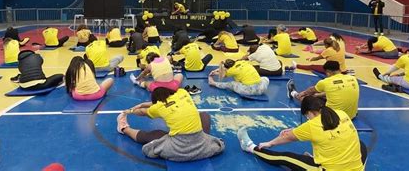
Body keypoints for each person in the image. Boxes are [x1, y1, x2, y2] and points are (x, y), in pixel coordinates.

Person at [237, 96, 367, 171]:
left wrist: (269, 143)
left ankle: (249, 147)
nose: (307, 119)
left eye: (306, 116)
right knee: (359, 144)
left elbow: (287, 137)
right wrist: (298, 130)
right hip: (357, 168)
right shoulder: (341, 113)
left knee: (285, 157)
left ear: (309, 112)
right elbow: (327, 130)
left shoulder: (311, 125)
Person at [116, 87, 224, 161]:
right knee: (204, 116)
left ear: (156, 101)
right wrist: (146, 104)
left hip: (179, 150)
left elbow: (142, 112)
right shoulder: (183, 92)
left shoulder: (158, 107)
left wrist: (130, 111)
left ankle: (124, 128)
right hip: (202, 146)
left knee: (156, 135)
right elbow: (169, 100)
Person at [287, 61, 359, 119]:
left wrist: (301, 94)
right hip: (351, 116)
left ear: (328, 72)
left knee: (307, 99)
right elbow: (337, 91)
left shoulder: (326, 81)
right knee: (329, 95)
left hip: (333, 117)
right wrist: (318, 95)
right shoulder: (352, 78)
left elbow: (310, 90)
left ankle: (293, 93)